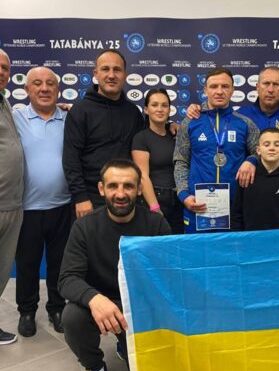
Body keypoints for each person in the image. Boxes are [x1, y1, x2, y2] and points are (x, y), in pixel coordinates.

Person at [58, 159, 171, 371]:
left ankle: (125, 343)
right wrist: (94, 299)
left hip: (141, 307)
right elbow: (67, 278)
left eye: (128, 186)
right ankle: (95, 368)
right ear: (101, 189)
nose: (120, 194)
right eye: (113, 186)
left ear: (139, 189)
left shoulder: (157, 224)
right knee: (72, 316)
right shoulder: (84, 227)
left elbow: (168, 277)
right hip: (102, 303)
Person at [13, 67, 70, 337]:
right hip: (27, 208)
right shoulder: (15, 118)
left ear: (58, 89)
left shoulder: (70, 118)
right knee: (27, 264)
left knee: (60, 263)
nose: (44, 88)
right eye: (37, 83)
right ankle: (26, 311)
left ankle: (57, 308)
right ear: (27, 90)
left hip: (63, 205)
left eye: (50, 83)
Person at [173, 67, 259, 233]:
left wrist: (252, 160)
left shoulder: (245, 123)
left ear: (232, 90)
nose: (219, 91)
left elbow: (260, 152)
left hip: (235, 208)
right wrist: (184, 195)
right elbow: (181, 161)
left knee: (232, 251)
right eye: (213, 86)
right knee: (197, 250)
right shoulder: (190, 122)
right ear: (205, 90)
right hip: (197, 205)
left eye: (225, 86)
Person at [62, 49, 144, 219]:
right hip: (90, 199)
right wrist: (80, 197)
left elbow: (146, 145)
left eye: (117, 70)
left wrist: (169, 125)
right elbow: (71, 158)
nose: (111, 75)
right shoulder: (80, 111)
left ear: (125, 75)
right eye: (105, 69)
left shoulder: (133, 113)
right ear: (95, 74)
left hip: (126, 197)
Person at [186, 66, 279, 164]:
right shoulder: (241, 115)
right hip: (249, 182)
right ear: (257, 87)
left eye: (276, 84)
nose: (270, 89)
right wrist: (199, 109)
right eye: (266, 83)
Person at [231, 128, 279, 230]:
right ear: (258, 150)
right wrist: (239, 237)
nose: (272, 148)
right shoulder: (247, 177)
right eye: (266, 145)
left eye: (277, 145)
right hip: (251, 238)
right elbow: (236, 215)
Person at [132, 88, 183, 234]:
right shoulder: (141, 138)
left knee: (177, 243)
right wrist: (155, 207)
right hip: (155, 200)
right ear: (146, 110)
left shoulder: (176, 134)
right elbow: (143, 176)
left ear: (169, 110)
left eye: (164, 105)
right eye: (154, 105)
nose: (160, 109)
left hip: (179, 200)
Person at [0, 49, 24, 345]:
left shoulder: (5, 102)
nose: (1, 72)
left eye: (5, 67)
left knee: (2, 270)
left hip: (12, 204)